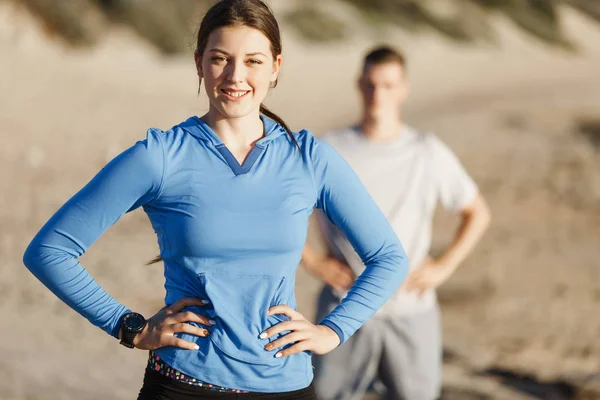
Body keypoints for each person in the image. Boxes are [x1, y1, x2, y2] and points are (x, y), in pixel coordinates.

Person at [22, 1, 410, 399]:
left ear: (276, 66)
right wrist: (129, 327)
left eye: (253, 61)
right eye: (220, 58)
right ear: (199, 63)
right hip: (182, 385)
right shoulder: (160, 156)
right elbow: (49, 251)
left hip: (286, 386)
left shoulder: (309, 158)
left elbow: (389, 258)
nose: (235, 76)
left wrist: (332, 330)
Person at [302, 46, 491, 400]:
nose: (378, 94)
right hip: (343, 305)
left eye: (388, 85)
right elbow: (284, 210)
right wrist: (313, 262)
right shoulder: (330, 148)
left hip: (411, 307)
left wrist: (442, 268)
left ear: (404, 88)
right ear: (359, 84)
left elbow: (477, 212)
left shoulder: (426, 151)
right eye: (371, 84)